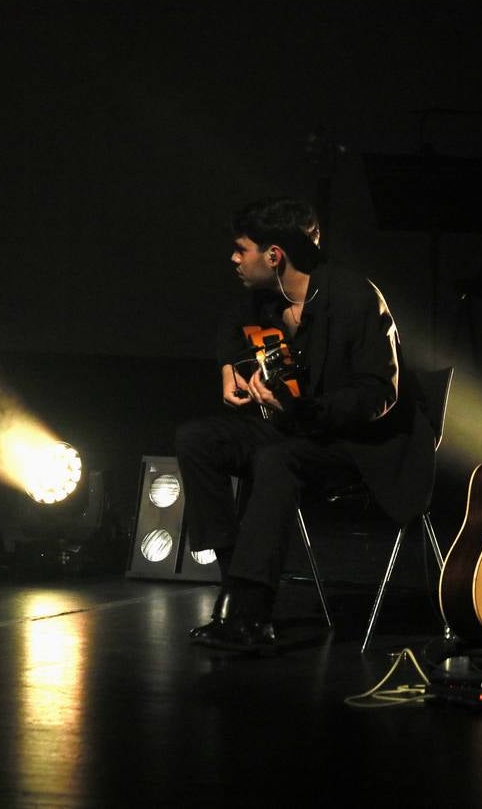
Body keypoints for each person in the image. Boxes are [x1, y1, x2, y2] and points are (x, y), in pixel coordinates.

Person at [175, 197, 435, 652]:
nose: (234, 259)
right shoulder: (264, 299)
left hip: (359, 447)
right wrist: (228, 365)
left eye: (242, 249)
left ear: (274, 255)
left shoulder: (354, 297)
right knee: (197, 439)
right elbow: (233, 326)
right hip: (296, 433)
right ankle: (239, 580)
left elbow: (379, 393)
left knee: (276, 458)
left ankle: (250, 611)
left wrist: (307, 411)